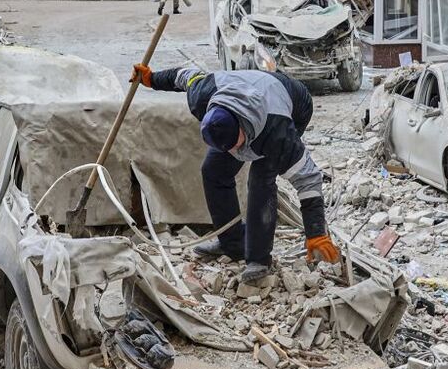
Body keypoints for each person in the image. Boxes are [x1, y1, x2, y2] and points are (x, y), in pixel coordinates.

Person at [132, 64, 341, 282]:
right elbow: (183, 75)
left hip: (292, 102)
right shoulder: (202, 94)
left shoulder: (278, 133)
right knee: (213, 170)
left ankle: (259, 259)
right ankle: (232, 244)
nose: (233, 153)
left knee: (261, 180)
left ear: (243, 129)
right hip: (247, 93)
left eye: (234, 145)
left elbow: (308, 179)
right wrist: (152, 78)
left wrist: (316, 233)